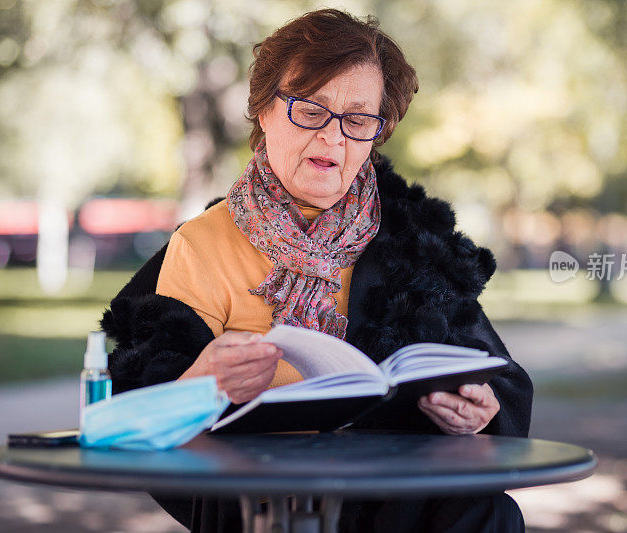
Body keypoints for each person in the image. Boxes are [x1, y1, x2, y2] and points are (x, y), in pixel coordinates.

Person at [101, 8, 533, 533]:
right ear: (263, 111)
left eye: (357, 119)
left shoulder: (415, 242)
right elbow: (134, 416)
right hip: (259, 497)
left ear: (379, 130)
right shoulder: (202, 244)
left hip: (397, 500)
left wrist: (478, 414)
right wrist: (201, 384)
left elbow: (502, 389)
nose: (334, 139)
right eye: (310, 110)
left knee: (488, 514)